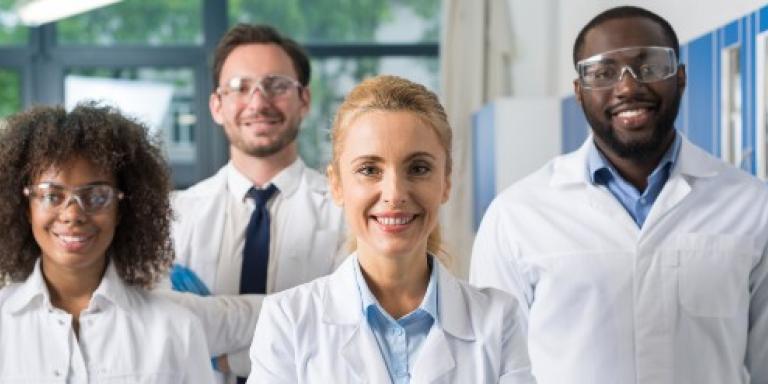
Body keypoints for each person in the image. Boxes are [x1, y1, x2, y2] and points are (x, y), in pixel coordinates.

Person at [470, 6, 768, 384]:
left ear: (681, 77)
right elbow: (494, 368)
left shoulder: (753, 205)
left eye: (650, 67)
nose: (628, 87)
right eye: (603, 72)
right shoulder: (517, 214)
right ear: (578, 92)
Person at [247, 75, 536, 383]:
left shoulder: (498, 319)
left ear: (446, 182)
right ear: (336, 185)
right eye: (369, 170)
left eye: (419, 168)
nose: (395, 193)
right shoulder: (288, 320)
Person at [171, 23, 345, 381]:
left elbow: (343, 334)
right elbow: (165, 328)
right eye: (239, 87)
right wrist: (298, 319)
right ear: (217, 106)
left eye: (277, 86)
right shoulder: (176, 216)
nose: (258, 102)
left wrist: (223, 357)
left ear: (305, 100)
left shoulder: (345, 214)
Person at [0, 104, 215, 383]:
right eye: (52, 195)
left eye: (97, 196)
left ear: (122, 209)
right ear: (26, 207)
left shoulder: (176, 329)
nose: (73, 214)